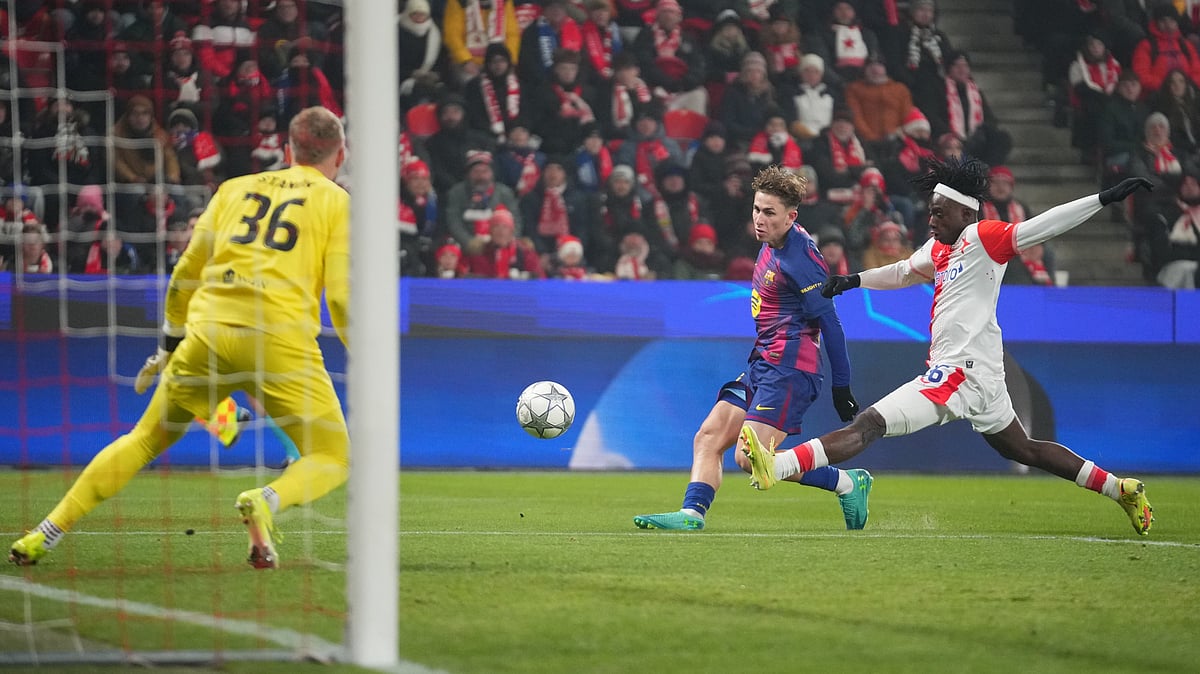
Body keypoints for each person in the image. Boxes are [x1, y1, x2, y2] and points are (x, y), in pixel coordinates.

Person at [741, 155, 1157, 537]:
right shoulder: (940, 248)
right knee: (1024, 448)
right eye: (930, 211)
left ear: (966, 212)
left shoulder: (984, 237)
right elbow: (904, 271)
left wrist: (1102, 199)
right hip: (984, 376)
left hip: (960, 372)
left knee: (869, 423)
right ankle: (1120, 489)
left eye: (939, 213)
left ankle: (778, 465)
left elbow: (1041, 226)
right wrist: (854, 281)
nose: (931, 219)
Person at [9, 106, 353, 568]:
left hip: (208, 332)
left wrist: (169, 346)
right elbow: (342, 298)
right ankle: (264, 499)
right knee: (332, 455)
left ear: (288, 149)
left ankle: (45, 532)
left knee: (144, 439)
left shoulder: (233, 189)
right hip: (279, 336)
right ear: (341, 154)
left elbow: (185, 274)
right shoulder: (337, 201)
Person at [634, 165, 868, 532]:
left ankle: (847, 483)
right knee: (708, 436)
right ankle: (691, 514)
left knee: (749, 458)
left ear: (791, 217)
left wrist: (842, 387)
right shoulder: (771, 243)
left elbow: (831, 323)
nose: (759, 219)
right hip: (763, 362)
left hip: (791, 369)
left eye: (769, 213)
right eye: (757, 209)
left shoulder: (802, 260)